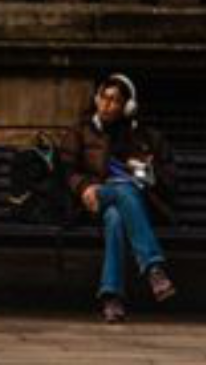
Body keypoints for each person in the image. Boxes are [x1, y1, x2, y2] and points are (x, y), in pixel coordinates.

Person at [58, 73, 178, 324]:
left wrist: (147, 171)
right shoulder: (80, 131)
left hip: (134, 203)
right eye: (105, 97)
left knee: (116, 216)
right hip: (93, 200)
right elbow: (66, 169)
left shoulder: (144, 137)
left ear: (127, 107)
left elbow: (169, 177)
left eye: (115, 101)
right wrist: (83, 188)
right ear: (97, 98)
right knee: (122, 194)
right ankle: (153, 267)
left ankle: (111, 297)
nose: (107, 104)